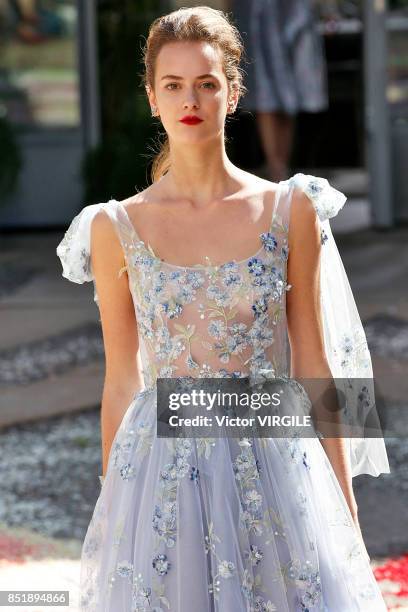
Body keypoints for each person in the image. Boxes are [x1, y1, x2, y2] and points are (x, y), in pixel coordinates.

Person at [56, 6, 389, 611]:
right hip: (162, 471)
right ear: (152, 98)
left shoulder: (294, 209)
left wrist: (347, 505)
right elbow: (121, 378)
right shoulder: (113, 226)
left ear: (232, 95)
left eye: (207, 84)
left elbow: (320, 360)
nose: (192, 100)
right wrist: (113, 512)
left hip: (277, 461)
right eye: (174, 85)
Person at [229, 0, 329, 182]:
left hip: (291, 14)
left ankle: (280, 165)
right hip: (257, 14)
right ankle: (276, 166)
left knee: (289, 94)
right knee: (264, 90)